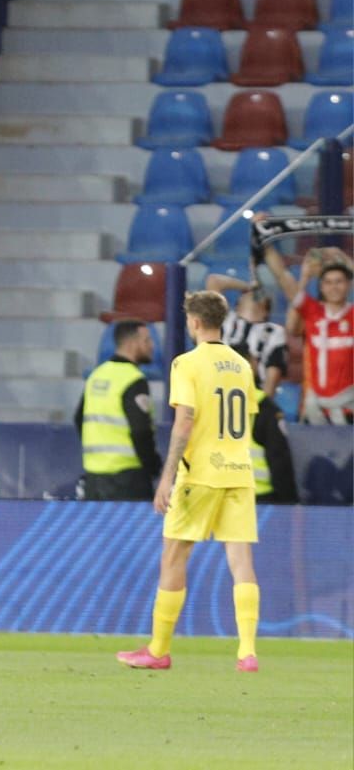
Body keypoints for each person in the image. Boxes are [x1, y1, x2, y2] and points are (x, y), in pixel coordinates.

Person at [116, 291, 261, 673]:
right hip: (239, 473)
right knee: (241, 560)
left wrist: (167, 478)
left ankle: (158, 650)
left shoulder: (187, 364)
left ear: (194, 322)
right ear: (222, 320)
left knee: (174, 556)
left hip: (200, 473)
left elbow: (185, 421)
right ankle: (247, 652)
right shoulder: (242, 366)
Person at [263, 247, 352, 423]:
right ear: (321, 286)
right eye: (328, 282)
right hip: (315, 410)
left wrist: (342, 257)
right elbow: (282, 277)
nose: (333, 287)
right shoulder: (313, 312)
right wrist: (265, 244)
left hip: (350, 409)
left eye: (339, 281)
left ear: (348, 284)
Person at [74, 319, 159, 501]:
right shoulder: (133, 379)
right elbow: (141, 431)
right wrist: (153, 466)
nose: (152, 346)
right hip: (128, 480)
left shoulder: (97, 375)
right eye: (147, 340)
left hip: (94, 479)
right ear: (131, 343)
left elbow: (79, 418)